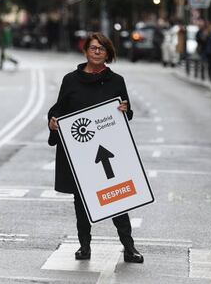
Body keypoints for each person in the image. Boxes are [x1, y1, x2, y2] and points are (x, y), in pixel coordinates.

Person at [47, 32, 143, 263]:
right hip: (81, 151)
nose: (97, 52)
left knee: (118, 199)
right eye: (93, 48)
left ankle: (129, 248)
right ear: (86, 51)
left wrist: (124, 110)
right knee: (81, 202)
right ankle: (84, 247)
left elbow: (126, 113)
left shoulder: (116, 81)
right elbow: (59, 109)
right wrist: (53, 121)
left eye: (102, 48)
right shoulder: (71, 80)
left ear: (108, 53)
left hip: (109, 152)